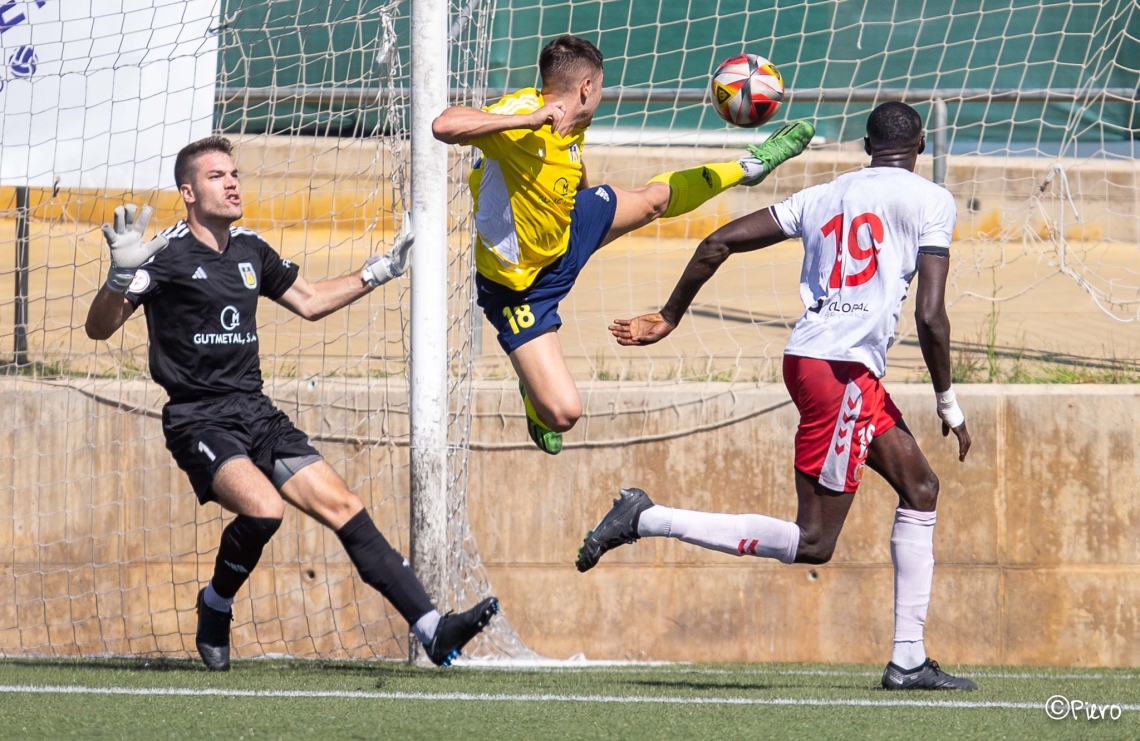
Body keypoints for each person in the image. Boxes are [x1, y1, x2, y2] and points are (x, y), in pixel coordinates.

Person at [576, 102, 977, 691]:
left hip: (816, 363)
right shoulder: (931, 199)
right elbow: (931, 314)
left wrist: (670, 315)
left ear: (865, 146)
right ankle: (646, 516)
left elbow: (717, 242)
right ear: (918, 147)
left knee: (920, 487)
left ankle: (909, 660)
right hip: (840, 375)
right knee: (814, 543)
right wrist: (947, 401)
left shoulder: (821, 194)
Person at [84, 135, 496, 670]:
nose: (232, 183)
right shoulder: (162, 254)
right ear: (187, 192)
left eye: (234, 174)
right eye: (216, 177)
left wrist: (381, 270)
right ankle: (216, 605)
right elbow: (99, 329)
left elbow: (311, 300)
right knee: (265, 509)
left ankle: (432, 628)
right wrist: (117, 279)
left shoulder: (251, 248)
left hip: (257, 412)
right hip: (198, 418)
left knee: (345, 507)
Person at [432, 34, 815, 455]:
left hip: (568, 228)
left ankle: (751, 164)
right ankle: (533, 396)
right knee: (563, 413)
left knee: (652, 200)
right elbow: (444, 125)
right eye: (600, 87)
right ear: (586, 88)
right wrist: (526, 121)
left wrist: (589, 207)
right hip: (519, 287)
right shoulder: (522, 114)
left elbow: (569, 156)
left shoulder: (575, 116)